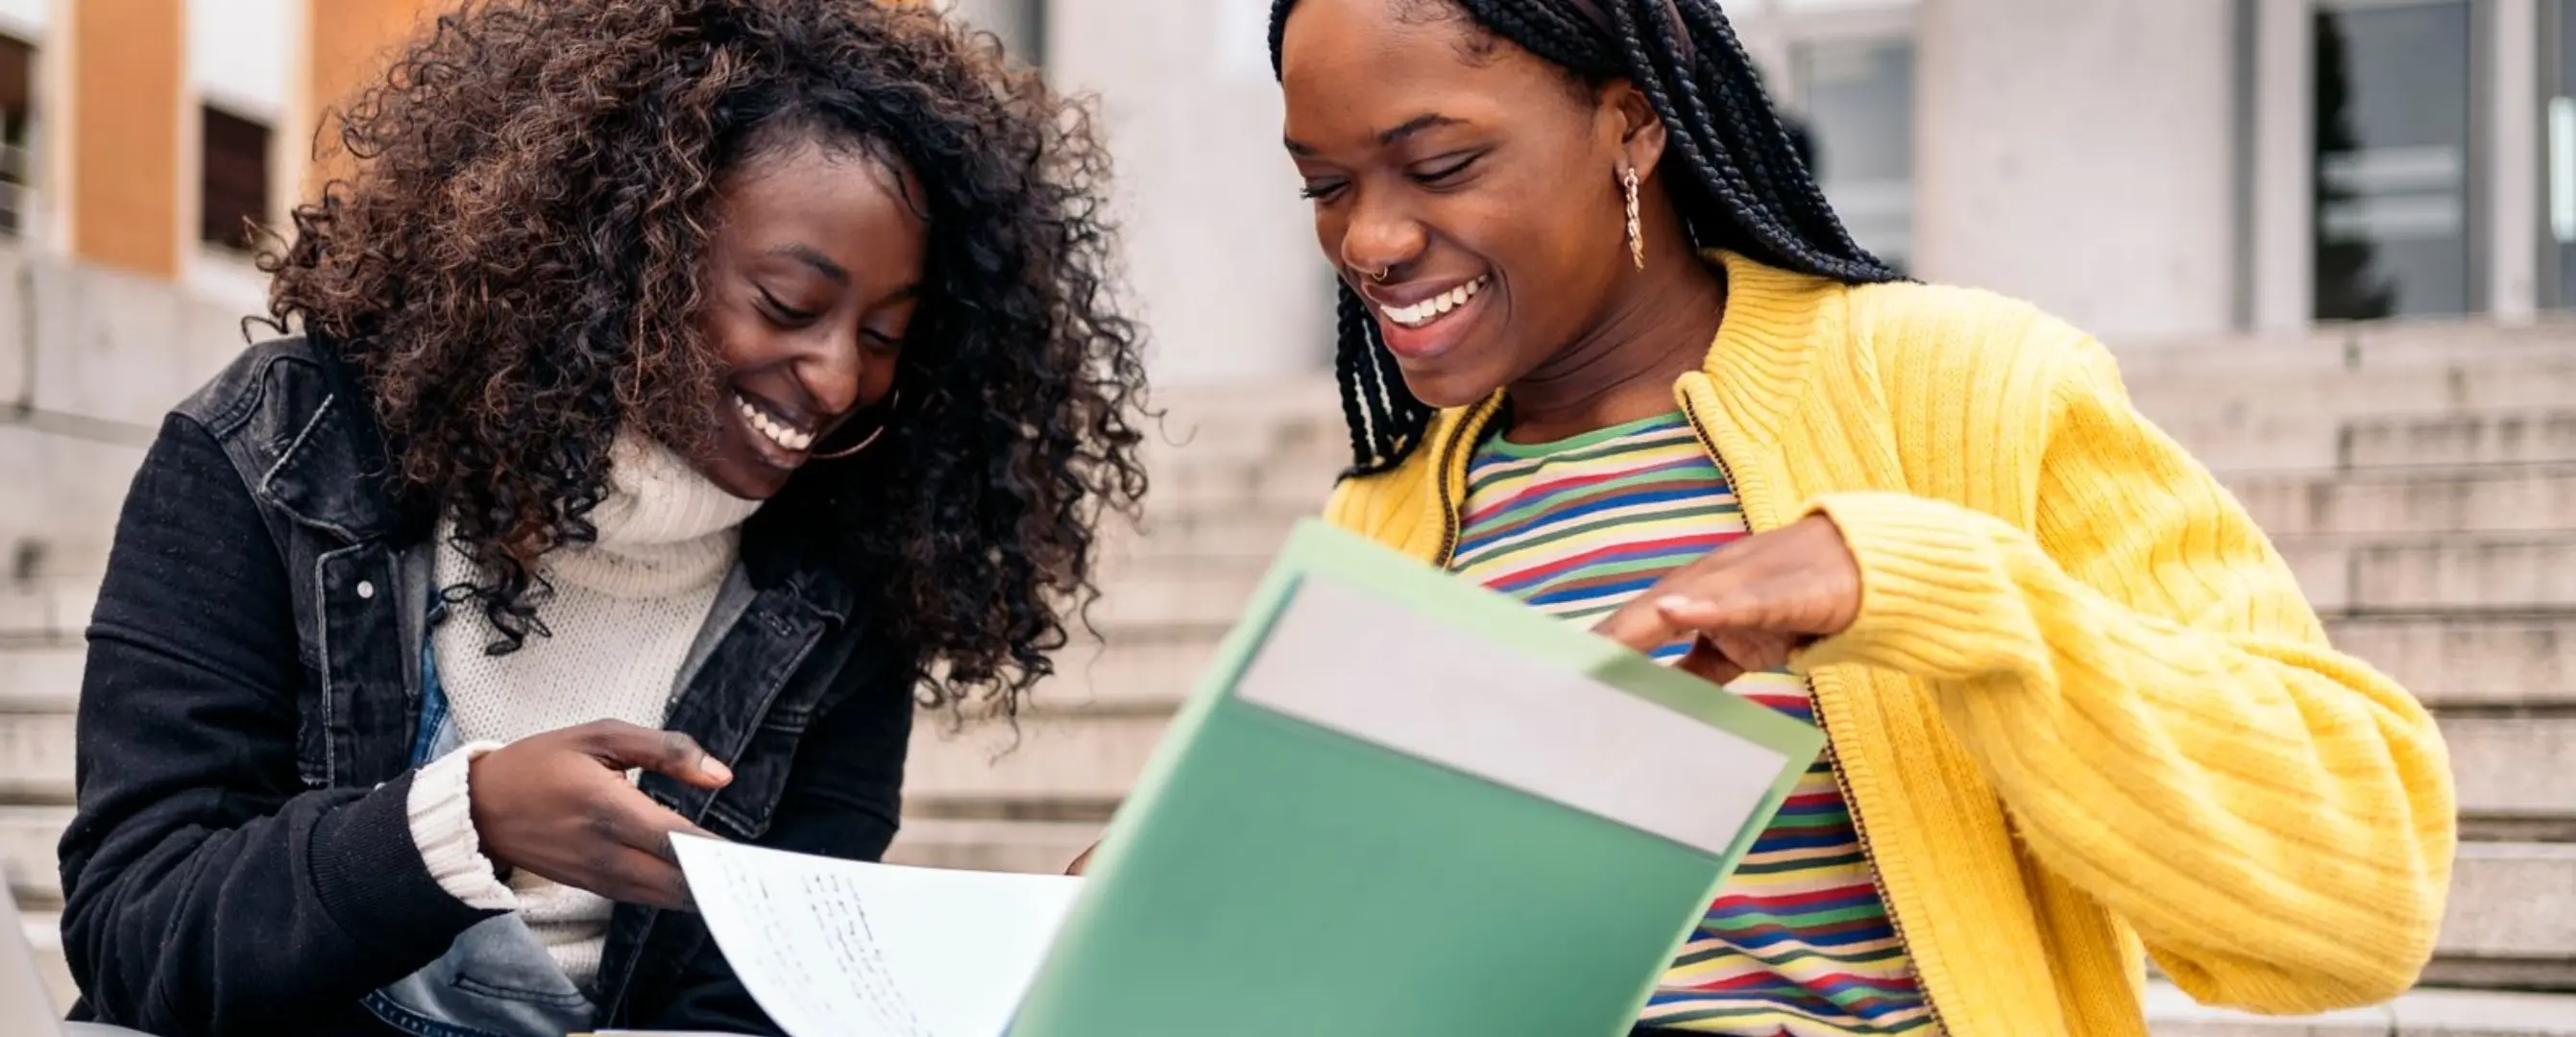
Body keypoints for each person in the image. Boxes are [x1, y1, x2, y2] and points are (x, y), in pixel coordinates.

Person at [1261, 0, 2456, 1033]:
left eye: (1441, 164)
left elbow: (2367, 896)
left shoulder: (1965, 390)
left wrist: (1944, 596)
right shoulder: (1383, 520)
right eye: (1325, 186)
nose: (1370, 240)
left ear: (1631, 124)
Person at [59, 1, 1146, 1034]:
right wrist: (463, 822)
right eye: (788, 305)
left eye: (881, 337)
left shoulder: (842, 580)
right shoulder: (285, 452)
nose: (835, 377)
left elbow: (746, 1005)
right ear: (626, 252)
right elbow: (133, 929)